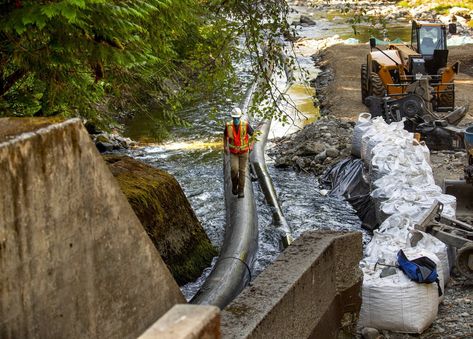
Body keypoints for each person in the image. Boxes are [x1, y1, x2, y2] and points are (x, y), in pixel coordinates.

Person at [223, 107, 254, 198]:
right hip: (233, 152)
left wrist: (251, 145)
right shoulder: (228, 126)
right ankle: (234, 186)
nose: (236, 119)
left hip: (244, 152)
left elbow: (254, 135)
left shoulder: (246, 125)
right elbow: (225, 136)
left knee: (242, 171)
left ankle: (241, 191)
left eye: (237, 118)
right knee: (234, 169)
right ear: (232, 118)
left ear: (240, 117)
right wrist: (225, 146)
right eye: (234, 118)